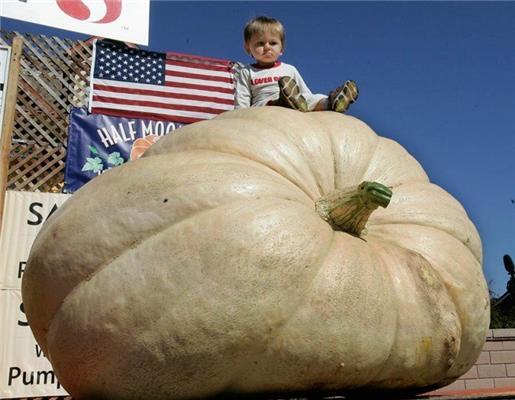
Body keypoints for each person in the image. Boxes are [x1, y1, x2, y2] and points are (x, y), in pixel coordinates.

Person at [234, 16, 359, 113]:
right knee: (263, 104)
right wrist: (241, 117)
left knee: (310, 98)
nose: (267, 47)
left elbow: (305, 93)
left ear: (282, 48)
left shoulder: (289, 69)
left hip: (294, 102)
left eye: (273, 43)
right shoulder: (246, 71)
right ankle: (284, 101)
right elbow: (242, 101)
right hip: (264, 106)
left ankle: (332, 102)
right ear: (248, 49)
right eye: (260, 44)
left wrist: (313, 102)